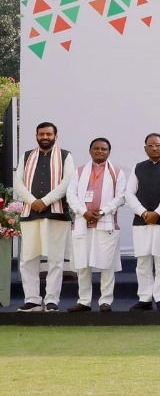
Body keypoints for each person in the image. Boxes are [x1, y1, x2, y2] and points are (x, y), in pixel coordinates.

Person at [15, 121, 75, 312]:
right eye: (41, 134)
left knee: (55, 260)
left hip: (56, 213)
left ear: (55, 136)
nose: (45, 137)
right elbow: (18, 183)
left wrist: (46, 200)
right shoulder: (26, 156)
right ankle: (32, 300)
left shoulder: (65, 155)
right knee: (28, 258)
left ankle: (51, 301)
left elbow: (68, 182)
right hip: (30, 212)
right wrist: (33, 201)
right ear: (36, 136)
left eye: (49, 134)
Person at [65, 138, 125, 312]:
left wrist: (103, 211)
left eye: (104, 149)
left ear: (109, 152)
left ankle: (105, 301)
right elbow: (71, 195)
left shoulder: (116, 172)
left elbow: (121, 197)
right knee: (83, 264)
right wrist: (83, 212)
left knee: (107, 264)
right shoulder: (79, 172)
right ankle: (84, 301)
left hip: (105, 222)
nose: (100, 151)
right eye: (96, 148)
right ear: (90, 151)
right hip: (82, 222)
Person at [126, 133, 160, 311]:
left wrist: (157, 212)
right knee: (143, 261)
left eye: (158, 145)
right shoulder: (138, 168)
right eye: (150, 145)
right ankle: (145, 298)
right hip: (141, 221)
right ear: (145, 148)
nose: (154, 148)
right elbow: (129, 194)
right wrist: (143, 212)